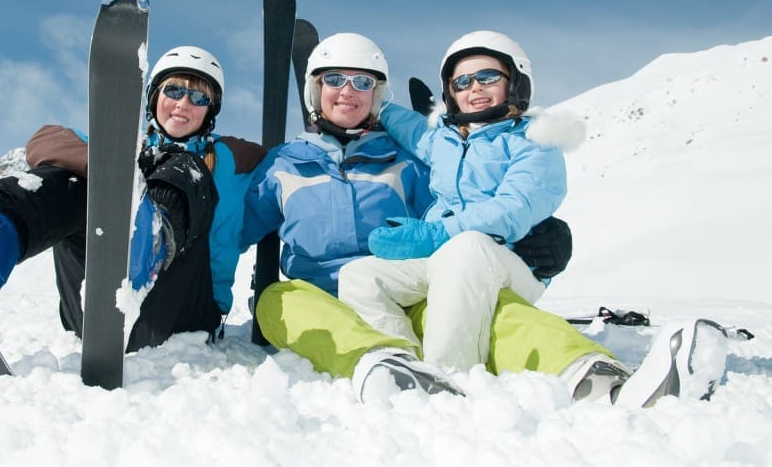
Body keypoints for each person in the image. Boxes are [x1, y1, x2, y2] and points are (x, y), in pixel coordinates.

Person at [245, 31, 728, 407]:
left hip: (411, 291)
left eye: (362, 82)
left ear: (378, 95)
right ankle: (385, 366)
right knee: (278, 299)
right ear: (314, 90)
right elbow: (232, 229)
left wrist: (542, 236)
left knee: (493, 315)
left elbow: (471, 206)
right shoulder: (285, 163)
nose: (347, 92)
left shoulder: (409, 159)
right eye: (333, 80)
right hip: (319, 295)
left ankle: (599, 380)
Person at [0, 45, 265, 352]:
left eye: (199, 97)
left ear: (210, 111)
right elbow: (46, 140)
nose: (183, 104)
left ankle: (148, 245)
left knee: (187, 167)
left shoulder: (231, 161)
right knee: (72, 177)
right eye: (174, 91)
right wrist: (117, 174)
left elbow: (290, 172)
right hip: (95, 307)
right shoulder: (123, 148)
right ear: (156, 95)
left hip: (183, 316)